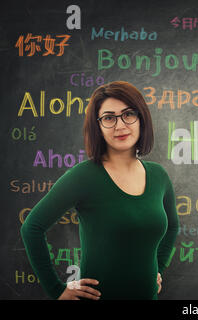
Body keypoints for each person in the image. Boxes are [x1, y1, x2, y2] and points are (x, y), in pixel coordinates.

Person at [20, 81, 179, 300]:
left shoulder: (158, 175)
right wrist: (56, 290)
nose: (120, 125)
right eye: (109, 118)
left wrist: (158, 268)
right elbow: (32, 227)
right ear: (98, 126)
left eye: (128, 114)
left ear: (141, 118)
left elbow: (172, 227)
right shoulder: (84, 176)